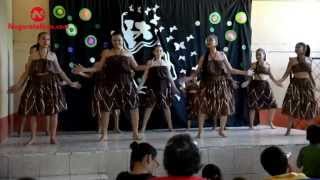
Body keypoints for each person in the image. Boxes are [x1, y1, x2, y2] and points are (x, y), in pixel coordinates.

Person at [8, 32, 81, 145]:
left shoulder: (53, 55)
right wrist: (18, 85)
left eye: (48, 39)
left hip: (51, 85)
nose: (46, 41)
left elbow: (60, 71)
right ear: (38, 40)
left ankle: (52, 137)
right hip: (35, 85)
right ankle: (33, 137)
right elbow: (26, 73)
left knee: (53, 112)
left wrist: (70, 83)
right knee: (33, 112)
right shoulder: (32, 56)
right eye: (43, 39)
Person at [74, 31, 146, 141]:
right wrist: (84, 69)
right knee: (106, 109)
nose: (117, 42)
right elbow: (98, 68)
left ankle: (135, 133)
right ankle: (104, 134)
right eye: (114, 40)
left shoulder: (128, 52)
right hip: (110, 84)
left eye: (119, 40)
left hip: (127, 83)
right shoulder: (106, 53)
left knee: (134, 107)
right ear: (112, 41)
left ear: (123, 40)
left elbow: (136, 67)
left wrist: (148, 66)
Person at [195, 34, 253, 138]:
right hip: (208, 85)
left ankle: (221, 130)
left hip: (221, 85)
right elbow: (197, 71)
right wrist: (190, 78)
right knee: (203, 108)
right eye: (207, 40)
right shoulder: (203, 57)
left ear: (216, 43)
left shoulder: (222, 55)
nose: (209, 42)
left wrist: (245, 73)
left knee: (224, 107)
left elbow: (231, 70)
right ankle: (200, 132)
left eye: (211, 40)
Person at [278, 42, 319, 136]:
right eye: (295, 47)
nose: (296, 48)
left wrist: (314, 86)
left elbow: (310, 74)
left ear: (304, 49)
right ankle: (288, 130)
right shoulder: (292, 60)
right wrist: (280, 80)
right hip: (295, 85)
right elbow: (287, 73)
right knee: (292, 106)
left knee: (308, 106)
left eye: (298, 47)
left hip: (307, 84)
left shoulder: (309, 59)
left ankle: (311, 131)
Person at [139, 45, 179, 133]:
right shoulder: (150, 62)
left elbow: (170, 77)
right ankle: (143, 127)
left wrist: (174, 87)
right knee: (149, 107)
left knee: (166, 107)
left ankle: (170, 127)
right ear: (153, 52)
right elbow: (145, 76)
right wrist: (140, 86)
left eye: (160, 51)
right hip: (152, 88)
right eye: (157, 51)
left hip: (164, 88)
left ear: (163, 53)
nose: (159, 52)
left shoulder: (166, 63)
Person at [246, 48, 281, 129]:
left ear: (264, 55)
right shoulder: (253, 64)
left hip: (265, 85)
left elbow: (271, 76)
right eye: (256, 55)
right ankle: (251, 124)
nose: (258, 56)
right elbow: (249, 74)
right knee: (252, 105)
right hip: (255, 85)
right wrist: (247, 82)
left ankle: (270, 122)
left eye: (259, 54)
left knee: (273, 104)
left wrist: (277, 82)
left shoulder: (267, 64)